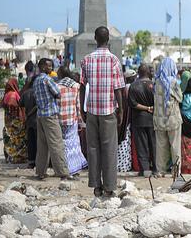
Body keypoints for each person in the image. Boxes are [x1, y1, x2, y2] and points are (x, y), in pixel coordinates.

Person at [80, 26, 125, 197]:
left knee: (93, 148)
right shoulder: (114, 60)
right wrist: (120, 110)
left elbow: (82, 87)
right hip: (108, 110)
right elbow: (118, 88)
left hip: (91, 110)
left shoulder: (86, 59)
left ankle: (96, 186)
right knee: (109, 149)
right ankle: (109, 186)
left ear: (95, 38)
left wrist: (82, 108)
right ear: (108, 40)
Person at [33, 58, 73, 181]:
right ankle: (63, 172)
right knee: (56, 143)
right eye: (50, 66)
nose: (51, 68)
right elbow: (57, 93)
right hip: (50, 115)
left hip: (40, 115)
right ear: (44, 67)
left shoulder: (36, 80)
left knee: (42, 145)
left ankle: (41, 172)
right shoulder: (47, 79)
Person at [153, 57, 183, 175]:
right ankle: (176, 171)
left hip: (159, 119)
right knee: (175, 146)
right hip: (173, 119)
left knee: (161, 147)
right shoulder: (174, 82)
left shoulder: (156, 82)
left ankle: (160, 171)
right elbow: (180, 98)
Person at [57, 67, 87, 175]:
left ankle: (65, 168)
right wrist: (80, 121)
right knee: (73, 143)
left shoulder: (57, 87)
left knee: (62, 144)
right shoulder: (76, 86)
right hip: (72, 119)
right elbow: (78, 105)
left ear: (60, 74)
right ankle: (75, 167)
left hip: (60, 120)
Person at [129, 64, 156, 177]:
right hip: (153, 120)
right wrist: (150, 108)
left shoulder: (133, 86)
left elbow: (133, 104)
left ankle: (144, 170)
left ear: (138, 73)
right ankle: (155, 169)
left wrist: (145, 108)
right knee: (154, 145)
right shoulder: (154, 85)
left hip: (139, 120)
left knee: (141, 146)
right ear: (148, 72)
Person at [2, 78, 27, 164]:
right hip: (16, 121)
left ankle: (9, 157)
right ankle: (17, 157)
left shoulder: (6, 95)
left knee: (9, 138)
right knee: (18, 139)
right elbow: (17, 106)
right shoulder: (14, 94)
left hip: (8, 121)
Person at [117, 69, 137, 173]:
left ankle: (121, 165)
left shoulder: (123, 88)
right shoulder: (131, 88)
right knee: (126, 143)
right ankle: (124, 165)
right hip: (128, 120)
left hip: (123, 120)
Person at [19, 76, 38, 169]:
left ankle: (31, 161)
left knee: (30, 142)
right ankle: (38, 161)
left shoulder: (25, 93)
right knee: (38, 142)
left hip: (29, 121)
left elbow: (20, 103)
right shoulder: (38, 93)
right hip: (37, 120)